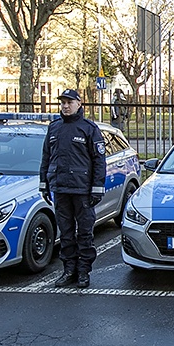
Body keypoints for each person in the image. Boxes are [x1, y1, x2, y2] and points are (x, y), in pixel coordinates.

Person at [39, 89, 107, 289]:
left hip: (82, 190)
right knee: (66, 233)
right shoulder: (54, 128)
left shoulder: (89, 128)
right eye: (63, 103)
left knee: (85, 232)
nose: (65, 106)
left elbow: (99, 160)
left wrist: (97, 187)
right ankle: (69, 270)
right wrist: (44, 184)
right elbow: (46, 158)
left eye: (69, 102)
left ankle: (84, 271)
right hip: (60, 189)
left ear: (79, 103)